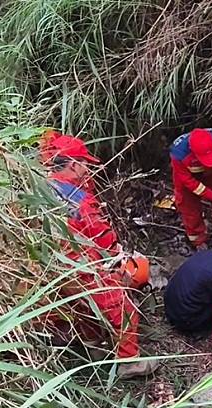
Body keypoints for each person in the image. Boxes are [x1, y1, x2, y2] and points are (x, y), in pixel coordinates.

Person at [39, 131, 158, 378]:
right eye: (84, 165)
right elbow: (100, 236)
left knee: (82, 302)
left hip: (54, 263)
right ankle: (129, 362)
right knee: (122, 307)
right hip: (79, 262)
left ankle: (94, 347)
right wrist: (119, 258)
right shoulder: (78, 200)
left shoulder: (45, 186)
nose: (87, 171)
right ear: (73, 164)